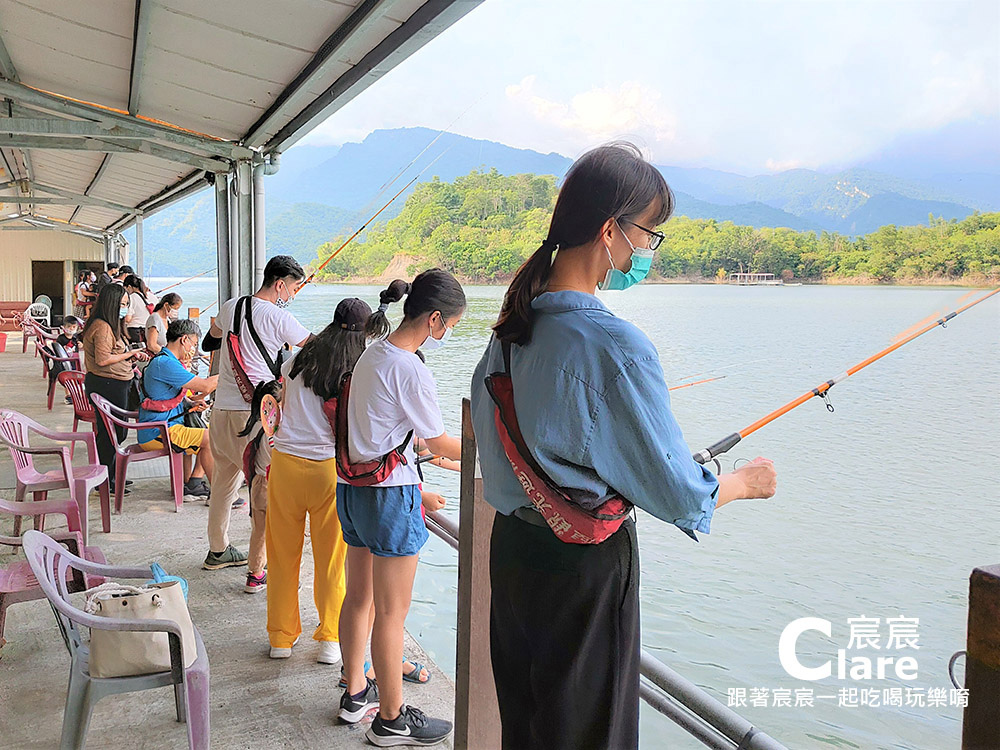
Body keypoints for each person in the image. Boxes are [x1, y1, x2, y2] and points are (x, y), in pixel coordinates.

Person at [469, 143, 779, 750]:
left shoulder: (508, 333)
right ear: (611, 231)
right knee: (590, 730)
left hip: (512, 554)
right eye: (649, 233)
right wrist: (741, 482)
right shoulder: (614, 344)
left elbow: (504, 451)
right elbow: (673, 488)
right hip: (582, 570)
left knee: (527, 724)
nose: (648, 250)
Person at [337, 270, 464, 747]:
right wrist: (491, 445)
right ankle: (391, 718)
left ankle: (355, 694)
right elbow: (438, 442)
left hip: (353, 488)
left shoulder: (373, 352)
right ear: (434, 319)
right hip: (390, 496)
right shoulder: (411, 368)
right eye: (449, 324)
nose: (448, 332)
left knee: (359, 599)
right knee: (391, 615)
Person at [266, 298, 371, 663]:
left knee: (281, 554)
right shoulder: (357, 369)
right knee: (331, 559)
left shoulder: (296, 361)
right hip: (330, 471)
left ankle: (280, 638)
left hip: (287, 465)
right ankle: (330, 639)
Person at [200, 255, 311, 589]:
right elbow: (317, 349)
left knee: (223, 483)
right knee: (263, 488)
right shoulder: (280, 317)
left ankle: (217, 550)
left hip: (220, 413)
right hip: (256, 418)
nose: (292, 295)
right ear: (280, 284)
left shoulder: (232, 305)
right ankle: (256, 570)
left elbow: (213, 336)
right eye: (293, 288)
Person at [137, 319, 218, 502]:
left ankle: (192, 483)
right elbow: (205, 386)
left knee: (199, 434)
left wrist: (190, 402)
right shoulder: (166, 363)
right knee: (211, 438)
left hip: (162, 425)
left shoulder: (163, 360)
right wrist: (229, 373)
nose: (193, 349)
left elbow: (167, 396)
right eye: (194, 344)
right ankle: (219, 495)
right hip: (159, 430)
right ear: (184, 340)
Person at [82, 283, 148, 495]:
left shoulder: (111, 326)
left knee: (117, 432)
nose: (125, 309)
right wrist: (129, 355)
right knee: (109, 433)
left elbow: (113, 354)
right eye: (122, 304)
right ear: (111, 304)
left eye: (127, 305)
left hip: (118, 382)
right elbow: (103, 359)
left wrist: (132, 355)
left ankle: (112, 474)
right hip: (106, 384)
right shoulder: (102, 327)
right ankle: (105, 480)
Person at [123, 275, 151, 345]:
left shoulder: (131, 297)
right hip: (149, 331)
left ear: (129, 287)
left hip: (135, 332)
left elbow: (128, 319)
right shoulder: (151, 296)